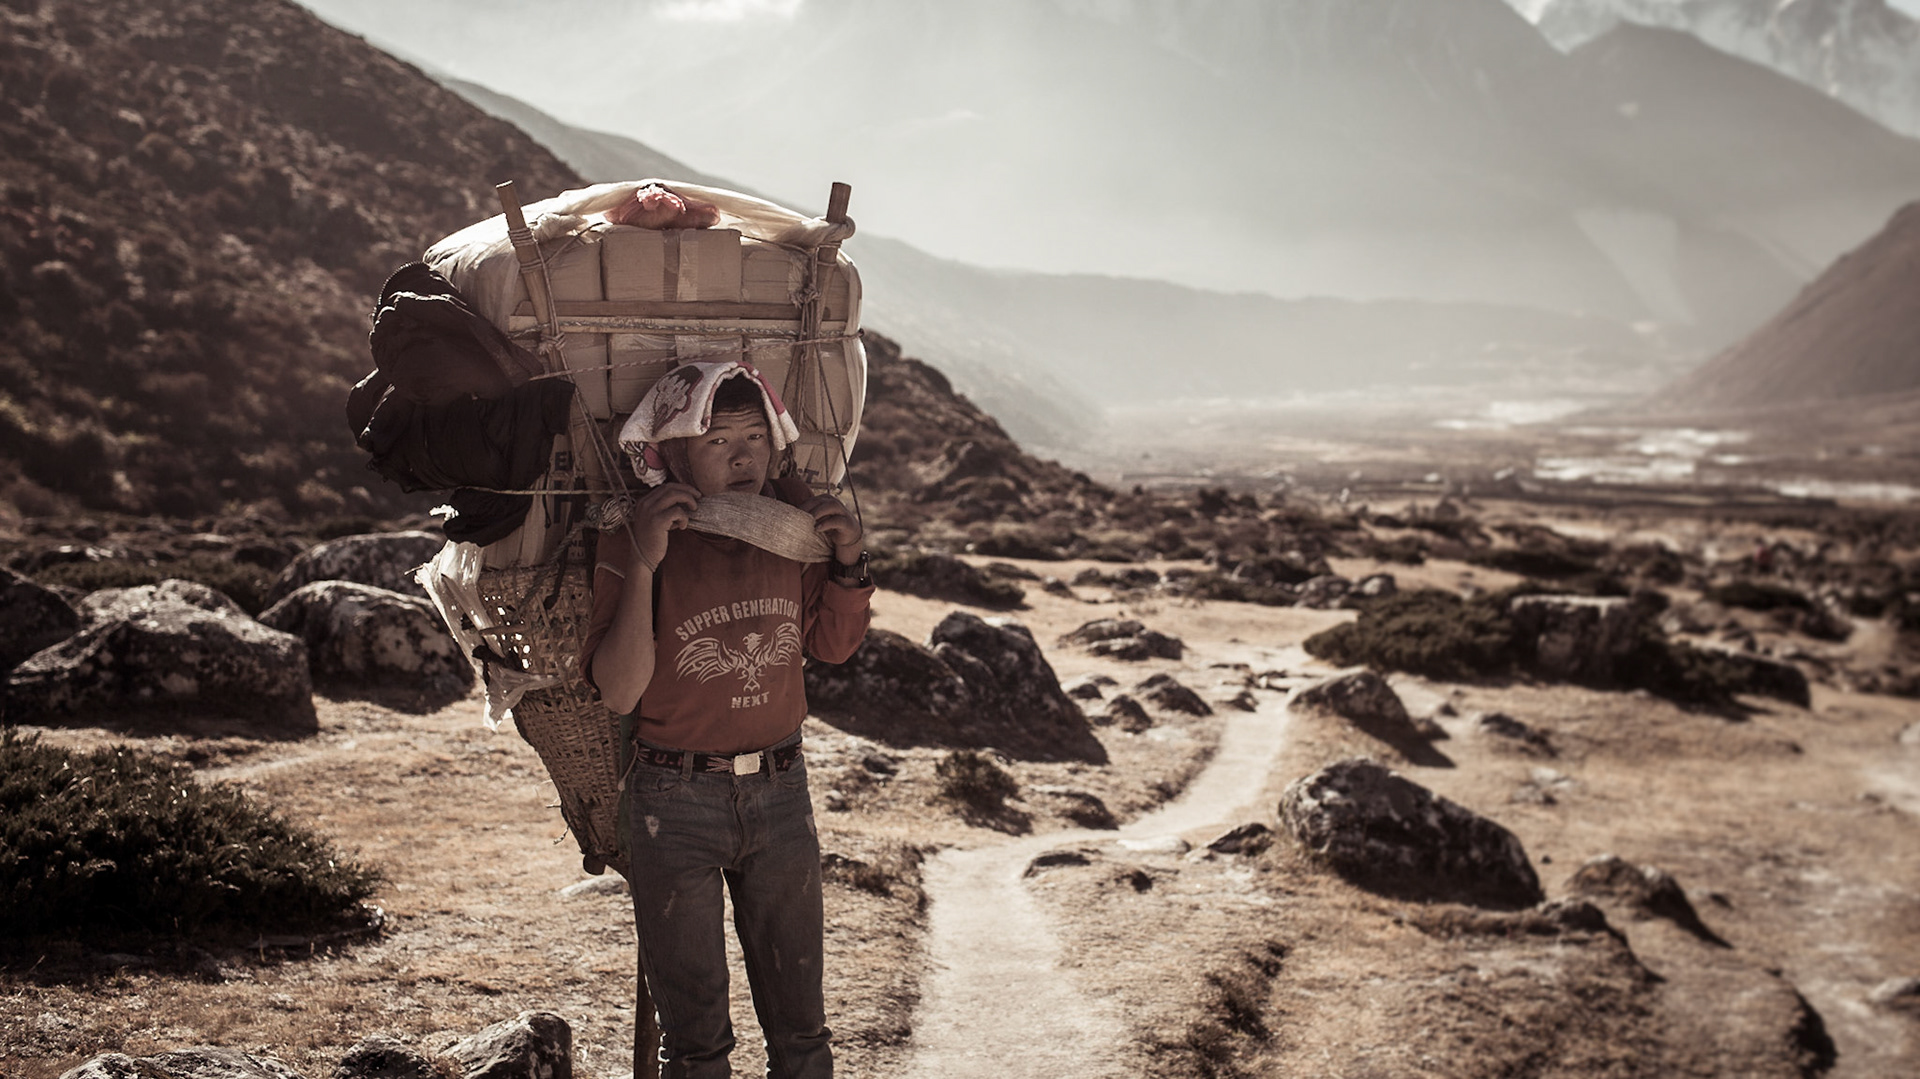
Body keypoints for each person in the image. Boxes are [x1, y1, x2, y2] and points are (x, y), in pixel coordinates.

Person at [582, 358, 872, 1079]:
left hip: (781, 791)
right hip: (670, 804)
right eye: (716, 438)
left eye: (755, 436)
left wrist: (848, 561)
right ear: (671, 450)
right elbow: (620, 693)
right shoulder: (632, 536)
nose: (743, 455)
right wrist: (647, 562)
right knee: (697, 1044)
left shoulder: (789, 535)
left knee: (803, 1035)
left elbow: (834, 646)